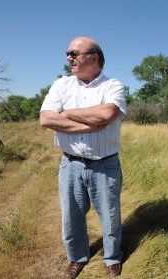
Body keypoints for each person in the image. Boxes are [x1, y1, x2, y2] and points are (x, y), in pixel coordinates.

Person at [40, 37, 126, 278]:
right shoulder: (62, 85)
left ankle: (112, 258)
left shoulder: (113, 86)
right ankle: (77, 258)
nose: (69, 58)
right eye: (68, 54)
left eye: (74, 53)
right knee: (71, 218)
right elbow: (46, 119)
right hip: (71, 164)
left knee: (110, 217)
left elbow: (107, 113)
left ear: (93, 58)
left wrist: (66, 114)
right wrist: (89, 125)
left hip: (105, 165)